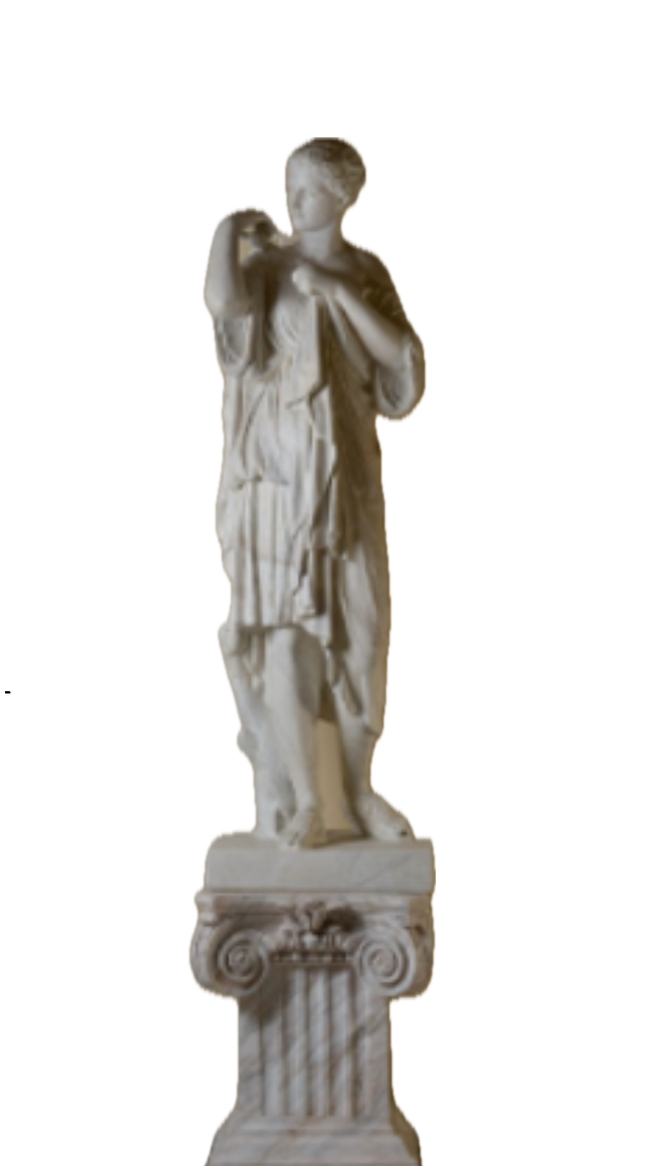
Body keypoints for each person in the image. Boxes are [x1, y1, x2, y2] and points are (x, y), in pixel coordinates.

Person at [202, 136, 427, 848]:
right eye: (289, 187)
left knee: (363, 631)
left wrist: (338, 295)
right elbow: (224, 311)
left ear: (342, 198)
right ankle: (304, 800)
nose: (293, 200)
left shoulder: (366, 269)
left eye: (308, 189)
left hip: (344, 473)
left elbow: (403, 365)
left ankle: (356, 790)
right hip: (274, 477)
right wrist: (228, 231)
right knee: (286, 639)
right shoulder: (265, 267)